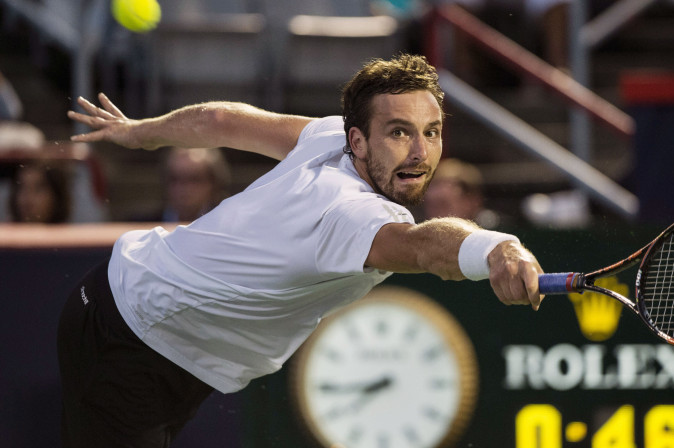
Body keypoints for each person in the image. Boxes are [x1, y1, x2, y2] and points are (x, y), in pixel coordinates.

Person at [60, 54, 544, 447]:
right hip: (132, 345)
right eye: (399, 132)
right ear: (359, 139)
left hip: (141, 318)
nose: (420, 152)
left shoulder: (329, 137)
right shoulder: (348, 216)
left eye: (431, 131)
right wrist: (496, 247)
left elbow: (221, 120)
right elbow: (424, 250)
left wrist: (139, 132)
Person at [130, 146, 231, 222]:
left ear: (214, 183)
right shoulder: (139, 227)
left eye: (194, 179)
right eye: (174, 179)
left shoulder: (229, 227)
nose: (183, 188)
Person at [422, 157, 501, 229]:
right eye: (431, 206)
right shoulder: (418, 239)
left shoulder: (500, 239)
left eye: (443, 205)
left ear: (472, 201)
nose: (434, 217)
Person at [7, 160, 72, 223]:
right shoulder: (4, 232)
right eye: (22, 188)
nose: (28, 198)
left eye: (38, 189)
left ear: (56, 195)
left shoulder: (74, 232)